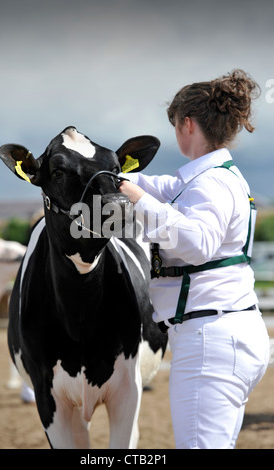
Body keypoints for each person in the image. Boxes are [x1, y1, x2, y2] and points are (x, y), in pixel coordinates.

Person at [119, 69, 270, 449]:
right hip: (227, 333)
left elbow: (197, 243)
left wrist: (134, 197)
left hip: (209, 340)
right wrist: (110, 173)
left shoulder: (212, 182)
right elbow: (164, 187)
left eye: (175, 124)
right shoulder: (216, 176)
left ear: (186, 123)